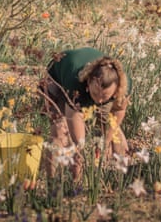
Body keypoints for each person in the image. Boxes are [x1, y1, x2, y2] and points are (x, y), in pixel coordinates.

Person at [40, 47, 130, 178]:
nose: (98, 100)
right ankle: (52, 182)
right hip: (58, 77)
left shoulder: (123, 86)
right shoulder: (75, 83)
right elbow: (75, 121)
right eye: (95, 94)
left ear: (116, 90)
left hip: (93, 90)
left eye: (104, 97)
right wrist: (78, 150)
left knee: (114, 132)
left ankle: (123, 176)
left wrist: (106, 142)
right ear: (89, 81)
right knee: (60, 132)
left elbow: (118, 112)